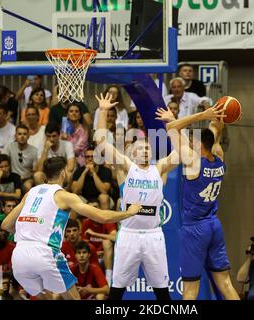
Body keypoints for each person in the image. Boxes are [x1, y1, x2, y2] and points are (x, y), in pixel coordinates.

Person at [1, 156, 141, 300]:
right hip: (44, 253)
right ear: (63, 173)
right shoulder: (64, 196)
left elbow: (5, 224)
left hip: (19, 256)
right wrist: (129, 213)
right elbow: (101, 216)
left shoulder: (31, 193)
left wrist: (30, 231)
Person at [96, 92, 179, 301]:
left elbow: (183, 152)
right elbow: (101, 142)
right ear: (131, 152)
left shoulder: (159, 169)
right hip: (129, 235)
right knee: (117, 291)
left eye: (148, 148)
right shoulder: (125, 168)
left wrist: (174, 122)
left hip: (153, 236)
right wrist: (104, 111)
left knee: (162, 292)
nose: (145, 151)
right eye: (140, 148)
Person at [156, 104, 240, 300]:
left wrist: (202, 114)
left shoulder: (193, 162)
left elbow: (172, 130)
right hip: (214, 225)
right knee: (225, 284)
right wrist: (221, 113)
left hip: (195, 229)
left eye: (193, 141)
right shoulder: (219, 154)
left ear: (199, 145)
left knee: (190, 290)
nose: (190, 143)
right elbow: (215, 127)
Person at [71, 146, 113, 210]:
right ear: (84, 159)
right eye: (87, 157)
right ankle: (74, 220)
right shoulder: (79, 171)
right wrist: (84, 172)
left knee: (104, 197)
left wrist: (93, 173)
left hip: (102, 200)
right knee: (74, 198)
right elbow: (75, 191)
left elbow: (104, 191)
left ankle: (103, 219)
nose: (90, 159)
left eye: (93, 157)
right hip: (85, 200)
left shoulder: (105, 171)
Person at [2, 124, 38, 193]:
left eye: (24, 134)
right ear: (15, 136)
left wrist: (25, 177)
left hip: (26, 178)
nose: (22, 136)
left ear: (28, 136)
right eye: (19, 134)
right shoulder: (9, 147)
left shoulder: (34, 150)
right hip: (11, 177)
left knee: (27, 186)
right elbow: (2, 162)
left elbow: (34, 171)